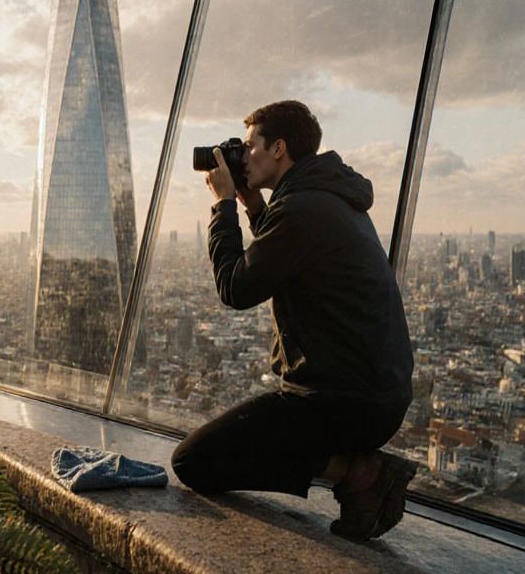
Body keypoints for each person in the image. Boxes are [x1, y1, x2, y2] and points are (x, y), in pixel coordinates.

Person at [170, 100, 417, 542]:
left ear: (278, 148)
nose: (242, 157)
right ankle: (353, 471)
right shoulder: (325, 198)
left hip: (340, 402)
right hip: (373, 396)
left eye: (249, 147)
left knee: (193, 461)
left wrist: (224, 204)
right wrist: (251, 203)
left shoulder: (303, 209)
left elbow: (236, 287)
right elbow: (287, 254)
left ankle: (359, 473)